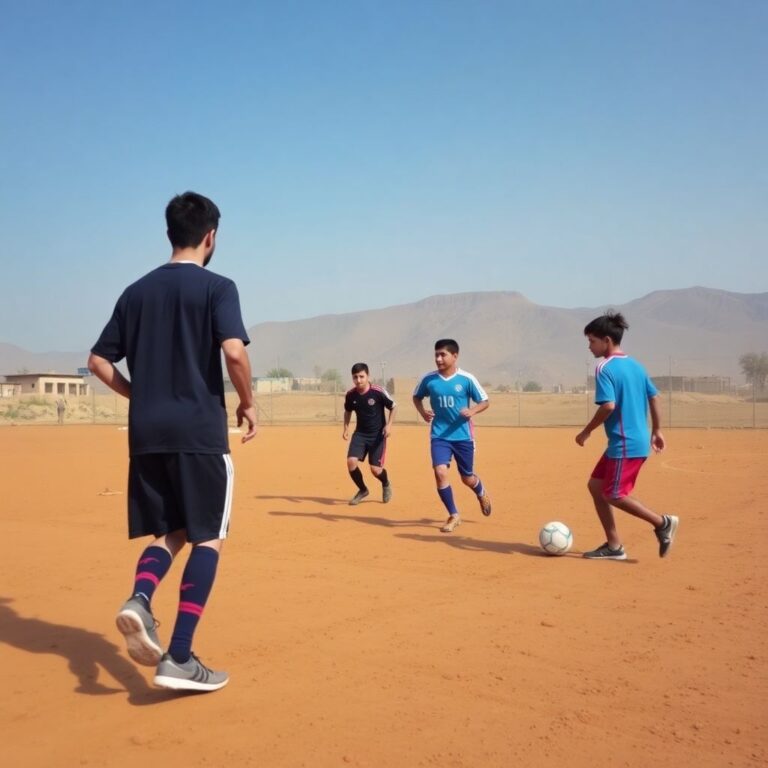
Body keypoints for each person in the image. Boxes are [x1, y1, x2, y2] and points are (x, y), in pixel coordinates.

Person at [87, 191, 257, 692]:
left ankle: (139, 598)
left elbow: (98, 361)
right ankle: (180, 656)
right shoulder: (218, 287)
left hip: (147, 434)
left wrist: (142, 395)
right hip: (199, 431)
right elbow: (234, 352)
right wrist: (248, 402)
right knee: (209, 535)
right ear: (210, 236)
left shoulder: (134, 292)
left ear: (169, 234)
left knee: (177, 528)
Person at [575, 312, 678, 560]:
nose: (589, 347)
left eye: (592, 341)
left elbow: (608, 406)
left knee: (613, 494)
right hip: (630, 441)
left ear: (607, 340)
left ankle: (662, 522)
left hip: (625, 444)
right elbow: (654, 396)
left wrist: (586, 431)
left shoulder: (604, 367)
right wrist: (657, 430)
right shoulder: (636, 365)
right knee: (596, 486)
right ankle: (614, 546)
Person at [412, 339, 492, 532]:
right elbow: (416, 396)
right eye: (436, 355)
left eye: (443, 355)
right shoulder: (428, 379)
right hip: (439, 435)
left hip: (463, 436)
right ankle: (453, 515)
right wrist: (423, 412)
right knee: (440, 472)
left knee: (467, 478)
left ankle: (480, 491)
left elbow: (485, 401)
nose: (438, 359)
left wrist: (472, 411)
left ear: (455, 356)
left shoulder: (466, 379)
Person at [342, 363, 396, 505]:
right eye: (355, 377)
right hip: (360, 434)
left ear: (368, 376)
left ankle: (385, 483)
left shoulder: (378, 391)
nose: (358, 380)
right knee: (351, 462)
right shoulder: (351, 395)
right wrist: (346, 428)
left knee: (376, 470)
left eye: (361, 376)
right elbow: (347, 411)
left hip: (378, 436)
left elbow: (393, 407)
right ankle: (363, 490)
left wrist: (389, 425)